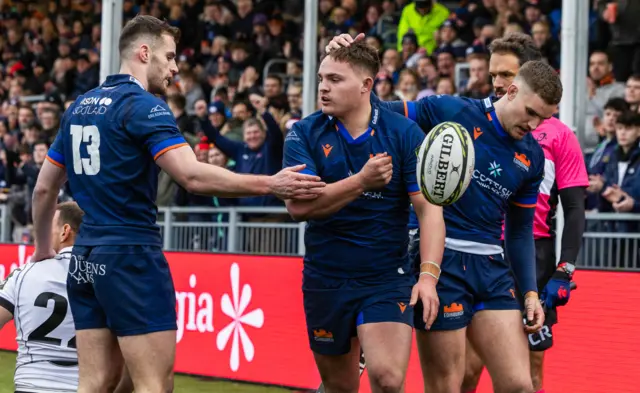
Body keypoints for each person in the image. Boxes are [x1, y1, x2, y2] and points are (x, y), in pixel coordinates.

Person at [31, 15, 325, 393]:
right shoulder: (143, 106)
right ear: (143, 52)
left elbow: (44, 189)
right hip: (130, 255)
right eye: (169, 57)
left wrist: (42, 249)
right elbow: (192, 175)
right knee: (154, 385)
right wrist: (272, 182)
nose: (173, 68)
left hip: (86, 256)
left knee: (95, 384)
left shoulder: (79, 108)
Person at [327, 34, 562, 393]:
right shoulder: (451, 111)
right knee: (446, 387)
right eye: (530, 113)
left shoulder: (533, 158)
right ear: (510, 92)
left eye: (542, 120)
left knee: (519, 385)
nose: (533, 126)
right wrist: (345, 64)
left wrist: (530, 292)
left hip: (491, 269)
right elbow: (377, 110)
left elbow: (519, 233)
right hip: (441, 262)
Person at [283, 41, 445, 392]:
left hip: (385, 277)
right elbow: (298, 208)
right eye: (321, 78)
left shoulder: (403, 133)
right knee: (339, 386)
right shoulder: (303, 133)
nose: (323, 87)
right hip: (325, 277)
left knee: (388, 379)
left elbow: (429, 209)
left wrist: (429, 277)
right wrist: (360, 182)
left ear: (366, 86)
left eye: (335, 79)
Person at [0, 201, 84, 393]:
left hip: (31, 383)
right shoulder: (105, 278)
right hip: (81, 385)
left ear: (65, 231)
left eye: (48, 227)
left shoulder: (25, 273)